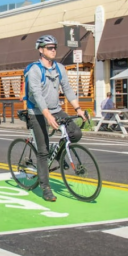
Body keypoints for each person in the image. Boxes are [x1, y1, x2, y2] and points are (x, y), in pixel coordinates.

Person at [22, 34, 85, 202]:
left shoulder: (59, 68)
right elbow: (36, 95)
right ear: (41, 50)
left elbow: (68, 89)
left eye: (55, 47)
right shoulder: (34, 70)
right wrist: (47, 115)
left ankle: (59, 155)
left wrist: (78, 108)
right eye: (50, 48)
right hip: (37, 111)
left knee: (76, 133)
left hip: (56, 109)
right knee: (43, 151)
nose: (53, 50)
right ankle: (45, 188)